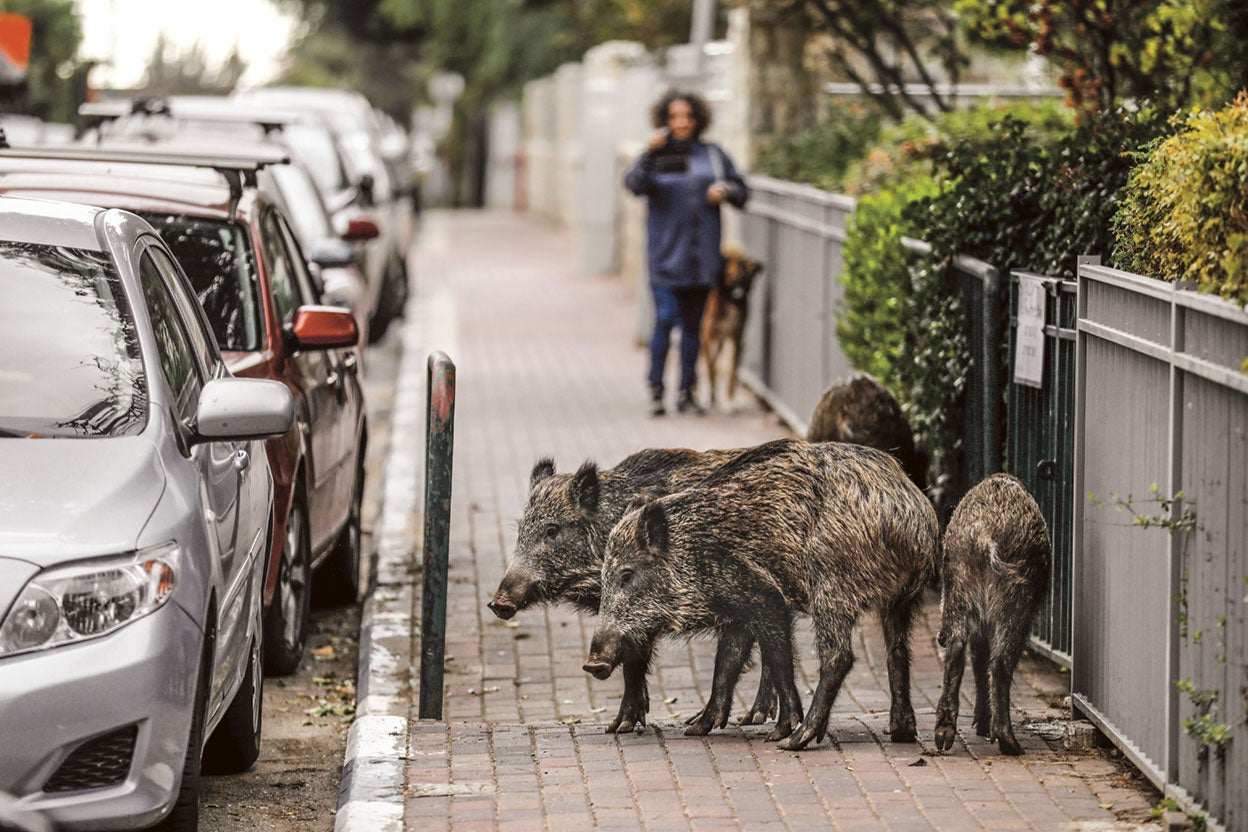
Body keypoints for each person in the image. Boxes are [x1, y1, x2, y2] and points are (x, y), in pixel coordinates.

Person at [624, 90, 748, 416]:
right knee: (665, 320)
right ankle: (656, 388)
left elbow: (741, 191)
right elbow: (634, 184)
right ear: (664, 120)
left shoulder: (713, 155)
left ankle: (686, 392)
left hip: (702, 257)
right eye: (675, 117)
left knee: (693, 327)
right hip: (665, 256)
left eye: (688, 116)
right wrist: (648, 153)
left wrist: (726, 190)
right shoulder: (656, 155)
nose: (682, 123)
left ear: (698, 119)